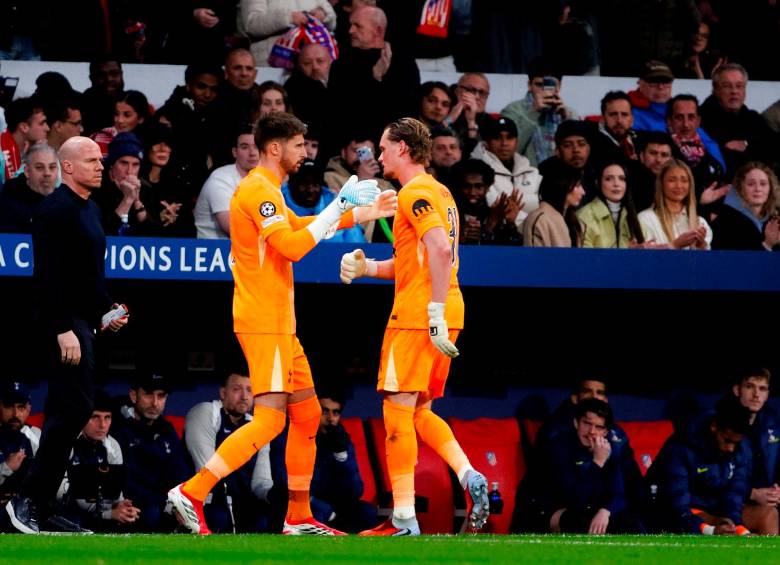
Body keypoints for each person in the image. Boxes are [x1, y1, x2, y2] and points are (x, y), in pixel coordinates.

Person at [167, 112, 395, 536]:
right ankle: (192, 492)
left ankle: (298, 515)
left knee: (307, 414)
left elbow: (300, 226)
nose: (304, 152)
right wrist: (337, 208)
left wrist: (359, 211)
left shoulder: (268, 190)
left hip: (280, 324)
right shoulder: (258, 190)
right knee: (271, 420)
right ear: (275, 148)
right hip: (264, 320)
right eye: (298, 145)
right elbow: (292, 247)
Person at [338, 117, 490, 536]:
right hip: (445, 307)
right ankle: (468, 474)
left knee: (397, 409)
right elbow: (418, 261)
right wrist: (367, 268)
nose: (379, 155)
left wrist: (433, 313)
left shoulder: (414, 192)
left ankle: (403, 519)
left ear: (402, 148)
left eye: (383, 147)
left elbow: (439, 250)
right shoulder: (440, 191)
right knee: (421, 409)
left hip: (419, 314)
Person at [5, 136, 128, 534]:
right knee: (76, 407)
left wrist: (106, 309)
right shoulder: (54, 210)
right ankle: (26, 499)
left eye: (100, 160)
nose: (100, 166)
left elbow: (87, 277)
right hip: (60, 324)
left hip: (80, 322)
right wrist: (62, 328)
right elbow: (48, 278)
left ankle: (42, 507)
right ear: (68, 167)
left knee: (65, 411)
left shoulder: (91, 209)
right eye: (91, 160)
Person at [645, 398, 753, 535]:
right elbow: (677, 503)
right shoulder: (682, 445)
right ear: (714, 427)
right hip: (677, 511)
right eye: (727, 440)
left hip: (716, 510)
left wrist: (739, 529)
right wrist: (710, 529)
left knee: (768, 515)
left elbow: (735, 494)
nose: (731, 448)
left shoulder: (741, 448)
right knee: (714, 520)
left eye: (736, 443)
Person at [526, 399, 635, 534]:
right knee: (579, 519)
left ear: (606, 432)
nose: (591, 431)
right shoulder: (559, 448)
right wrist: (597, 462)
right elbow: (575, 499)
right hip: (552, 512)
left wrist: (605, 511)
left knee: (627, 519)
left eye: (599, 427)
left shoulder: (609, 449)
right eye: (587, 423)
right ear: (576, 423)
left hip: (587, 509)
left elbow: (619, 494)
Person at [184, 372, 273, 533]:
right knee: (219, 517)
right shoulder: (206, 413)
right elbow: (206, 473)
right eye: (237, 389)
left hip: (242, 501)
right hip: (209, 498)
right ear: (223, 393)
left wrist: (274, 494)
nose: (244, 396)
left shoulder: (259, 428)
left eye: (249, 390)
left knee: (267, 518)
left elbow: (261, 482)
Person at [112, 372, 190, 533]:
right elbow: (122, 479)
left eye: (161, 396)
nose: (155, 403)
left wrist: (178, 504)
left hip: (161, 504)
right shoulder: (117, 428)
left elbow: (179, 474)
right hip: (129, 504)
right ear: (134, 396)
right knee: (151, 513)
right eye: (148, 394)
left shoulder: (167, 430)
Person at [56, 390, 141, 532]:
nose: (102, 425)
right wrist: (108, 513)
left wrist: (121, 506)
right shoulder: (64, 442)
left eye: (107, 418)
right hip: (64, 515)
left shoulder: (112, 446)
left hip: (97, 514)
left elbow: (114, 490)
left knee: (134, 517)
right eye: (95, 417)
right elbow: (62, 495)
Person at [307, 392, 377, 533]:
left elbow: (356, 491)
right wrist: (324, 508)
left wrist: (341, 456)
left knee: (367, 513)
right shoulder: (301, 437)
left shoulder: (342, 440)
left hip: (338, 504)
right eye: (324, 411)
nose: (330, 418)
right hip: (310, 503)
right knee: (318, 515)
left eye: (335, 413)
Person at [699, 63, 780, 175]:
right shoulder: (700, 118)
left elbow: (773, 146)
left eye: (739, 86)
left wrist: (746, 144)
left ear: (744, 90)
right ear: (715, 89)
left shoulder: (753, 118)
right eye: (727, 86)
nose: (734, 91)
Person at [500, 57, 579, 167]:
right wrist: (534, 112)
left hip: (562, 175)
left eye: (550, 85)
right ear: (529, 85)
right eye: (539, 85)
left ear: (559, 86)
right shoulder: (512, 110)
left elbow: (580, 155)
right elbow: (507, 153)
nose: (544, 90)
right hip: (527, 174)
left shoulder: (569, 113)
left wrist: (567, 121)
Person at [728, 368, 779, 535]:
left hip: (769, 500)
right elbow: (712, 479)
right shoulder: (722, 425)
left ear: (767, 394)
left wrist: (776, 491)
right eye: (750, 387)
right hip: (731, 503)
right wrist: (752, 493)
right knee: (768, 515)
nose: (756, 395)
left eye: (762, 389)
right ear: (737, 390)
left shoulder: (774, 424)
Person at [470, 116, 540, 234]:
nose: (504, 143)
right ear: (488, 142)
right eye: (497, 138)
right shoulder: (477, 172)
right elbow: (496, 206)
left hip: (530, 236)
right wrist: (528, 219)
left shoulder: (532, 172)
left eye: (509, 137)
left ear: (517, 142)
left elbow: (542, 206)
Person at [194, 126, 259, 239]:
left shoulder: (264, 179)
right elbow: (234, 229)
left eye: (257, 147)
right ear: (235, 152)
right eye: (245, 147)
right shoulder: (220, 179)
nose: (252, 153)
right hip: (212, 248)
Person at [282, 159, 367, 243]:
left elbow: (357, 245)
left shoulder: (337, 206)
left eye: (315, 184)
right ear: (291, 184)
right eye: (304, 184)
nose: (310, 190)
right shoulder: (279, 205)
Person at [638, 159, 712, 249]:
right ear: (661, 183)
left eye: (684, 180)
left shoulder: (700, 223)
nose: (679, 186)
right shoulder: (646, 219)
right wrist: (676, 245)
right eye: (672, 180)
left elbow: (708, 257)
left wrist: (701, 245)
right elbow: (645, 255)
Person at [711, 162, 780, 251]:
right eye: (751, 184)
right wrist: (767, 245)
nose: (758, 189)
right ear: (741, 188)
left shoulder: (774, 221)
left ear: (770, 188)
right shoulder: (725, 220)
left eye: (763, 184)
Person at [450, 159, 521, 246]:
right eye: (466, 186)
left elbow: (515, 247)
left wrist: (510, 224)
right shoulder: (449, 215)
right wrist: (461, 237)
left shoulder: (495, 214)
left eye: (478, 187)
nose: (472, 192)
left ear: (487, 188)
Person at [576, 161, 647, 248]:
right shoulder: (584, 216)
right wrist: (627, 253)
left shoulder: (633, 217)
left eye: (622, 179)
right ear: (597, 183)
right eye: (609, 179)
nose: (616, 184)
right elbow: (584, 255)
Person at [523, 162, 585, 247]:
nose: (583, 192)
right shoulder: (539, 220)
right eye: (578, 186)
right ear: (563, 185)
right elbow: (534, 255)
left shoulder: (575, 223)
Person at [0, 144, 59, 233]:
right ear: (27, 171)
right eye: (39, 167)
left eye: (52, 167)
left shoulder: (65, 203)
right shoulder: (7, 205)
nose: (47, 173)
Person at [0, 382, 40, 504]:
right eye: (9, 406)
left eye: (21, 407)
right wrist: (7, 467)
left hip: (24, 510)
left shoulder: (35, 435)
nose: (15, 414)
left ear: (29, 409)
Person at [0, 96, 49, 184]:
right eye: (42, 123)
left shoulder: (23, 153)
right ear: (24, 127)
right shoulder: (1, 158)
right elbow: (11, 190)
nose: (47, 128)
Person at [90, 90, 150, 158]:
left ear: (141, 118)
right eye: (117, 114)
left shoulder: (150, 142)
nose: (120, 120)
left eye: (127, 115)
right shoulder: (102, 137)